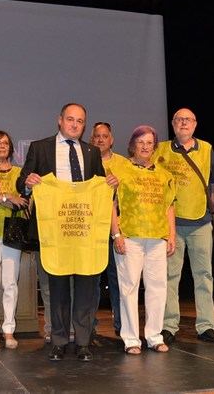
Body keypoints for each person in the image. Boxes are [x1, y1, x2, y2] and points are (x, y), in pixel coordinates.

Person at [17, 103, 114, 362]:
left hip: (83, 230)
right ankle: (59, 340)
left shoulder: (92, 152)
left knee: (85, 287)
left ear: (84, 125)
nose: (74, 124)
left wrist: (110, 185)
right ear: (59, 120)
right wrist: (28, 183)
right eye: (70, 119)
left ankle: (83, 341)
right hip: (55, 232)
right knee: (57, 288)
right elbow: (22, 181)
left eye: (80, 121)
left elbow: (100, 189)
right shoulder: (40, 147)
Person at [155, 108, 214, 345]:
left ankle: (206, 326)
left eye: (188, 120)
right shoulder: (161, 149)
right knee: (169, 277)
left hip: (200, 223)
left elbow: (212, 185)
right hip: (171, 225)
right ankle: (168, 326)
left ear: (195, 124)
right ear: (173, 124)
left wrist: (207, 210)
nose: (183, 123)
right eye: (179, 119)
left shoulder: (206, 149)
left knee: (204, 276)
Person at [112, 125, 176, 354]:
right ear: (132, 145)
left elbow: (169, 205)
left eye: (149, 142)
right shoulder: (121, 170)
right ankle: (131, 339)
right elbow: (112, 204)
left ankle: (154, 336)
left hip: (157, 236)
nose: (145, 146)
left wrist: (171, 234)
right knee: (129, 287)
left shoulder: (164, 174)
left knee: (157, 288)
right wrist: (116, 233)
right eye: (141, 142)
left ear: (155, 146)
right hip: (130, 237)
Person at [0, 130, 28, 350]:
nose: (2, 146)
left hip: (13, 232)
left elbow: (24, 202)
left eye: (5, 143)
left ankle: (9, 329)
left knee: (10, 282)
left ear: (11, 148)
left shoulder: (20, 173)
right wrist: (6, 198)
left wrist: (8, 199)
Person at [90, 121, 123, 336]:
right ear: (92, 140)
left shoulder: (124, 163)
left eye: (105, 136)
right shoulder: (85, 161)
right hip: (91, 229)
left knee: (118, 279)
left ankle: (122, 325)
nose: (100, 139)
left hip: (117, 228)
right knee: (91, 279)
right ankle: (89, 327)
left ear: (111, 139)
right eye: (97, 136)